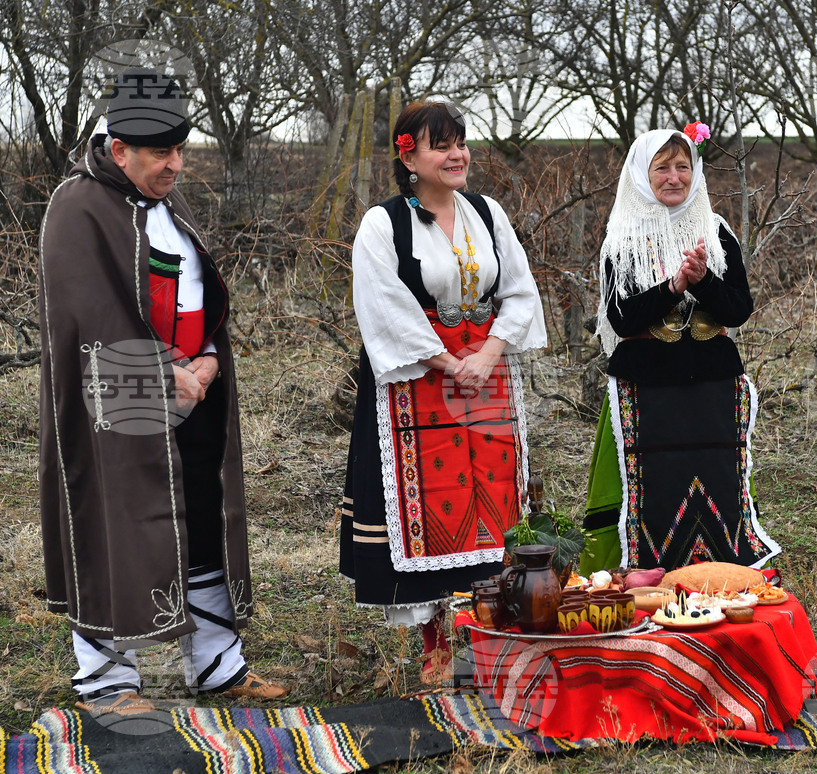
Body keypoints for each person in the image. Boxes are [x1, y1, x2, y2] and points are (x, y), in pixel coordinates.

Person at [38, 67, 286, 716]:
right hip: (112, 403)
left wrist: (205, 360)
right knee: (114, 526)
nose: (175, 164)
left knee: (201, 521)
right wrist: (156, 372)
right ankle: (107, 683)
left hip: (193, 395)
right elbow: (82, 314)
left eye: (181, 150)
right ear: (118, 150)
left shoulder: (168, 199)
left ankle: (217, 665)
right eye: (160, 153)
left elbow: (197, 291)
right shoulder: (77, 206)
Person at [340, 101, 546, 684]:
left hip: (487, 376)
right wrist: (448, 362)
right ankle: (436, 642)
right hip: (420, 381)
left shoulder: (487, 213)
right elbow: (383, 305)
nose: (458, 155)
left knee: (494, 501)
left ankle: (495, 632)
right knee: (428, 507)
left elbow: (519, 290)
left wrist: (486, 355)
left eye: (461, 142)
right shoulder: (384, 224)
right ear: (409, 156)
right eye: (442, 146)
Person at [581, 126, 781, 575]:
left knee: (717, 481)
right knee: (656, 485)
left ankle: (720, 574)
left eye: (682, 167)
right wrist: (672, 287)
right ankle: (650, 574)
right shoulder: (623, 239)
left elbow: (738, 309)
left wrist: (704, 280)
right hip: (649, 386)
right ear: (641, 174)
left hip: (712, 383)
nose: (674, 177)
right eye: (662, 168)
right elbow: (622, 318)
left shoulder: (714, 231)